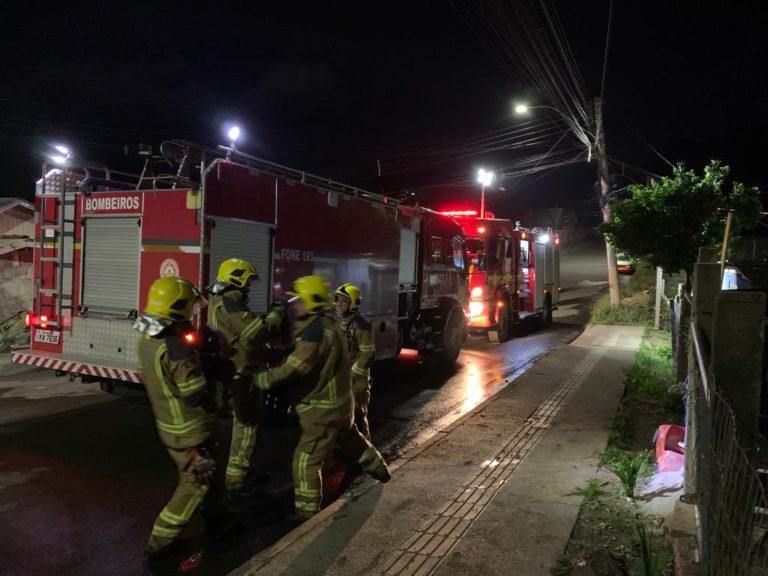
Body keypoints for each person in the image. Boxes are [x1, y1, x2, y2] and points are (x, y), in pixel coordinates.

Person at [237, 275, 390, 521]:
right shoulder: (327, 325)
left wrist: (260, 379)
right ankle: (381, 470)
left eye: (299, 302)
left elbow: (296, 368)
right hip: (341, 406)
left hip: (322, 412)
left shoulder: (315, 332)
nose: (295, 306)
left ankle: (306, 515)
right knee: (354, 441)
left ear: (312, 302)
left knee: (306, 461)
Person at [133, 276, 219, 560]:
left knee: (210, 478)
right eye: (189, 308)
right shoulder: (177, 348)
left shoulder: (147, 339)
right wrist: (211, 369)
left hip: (169, 426)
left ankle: (221, 520)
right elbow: (194, 393)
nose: (193, 313)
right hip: (190, 433)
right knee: (194, 485)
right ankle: (160, 543)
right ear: (177, 308)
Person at [207, 258, 285, 501]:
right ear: (237, 279)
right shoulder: (231, 305)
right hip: (243, 376)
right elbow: (258, 332)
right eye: (247, 282)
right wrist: (276, 314)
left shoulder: (219, 301)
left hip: (236, 373)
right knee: (247, 428)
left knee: (245, 425)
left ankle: (241, 472)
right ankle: (236, 481)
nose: (249, 287)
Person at [334, 283, 375, 440]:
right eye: (337, 299)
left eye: (343, 301)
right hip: (341, 380)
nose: (338, 303)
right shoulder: (337, 322)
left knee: (358, 417)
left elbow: (368, 354)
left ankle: (367, 454)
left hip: (356, 382)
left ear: (353, 303)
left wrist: (350, 374)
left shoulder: (362, 326)